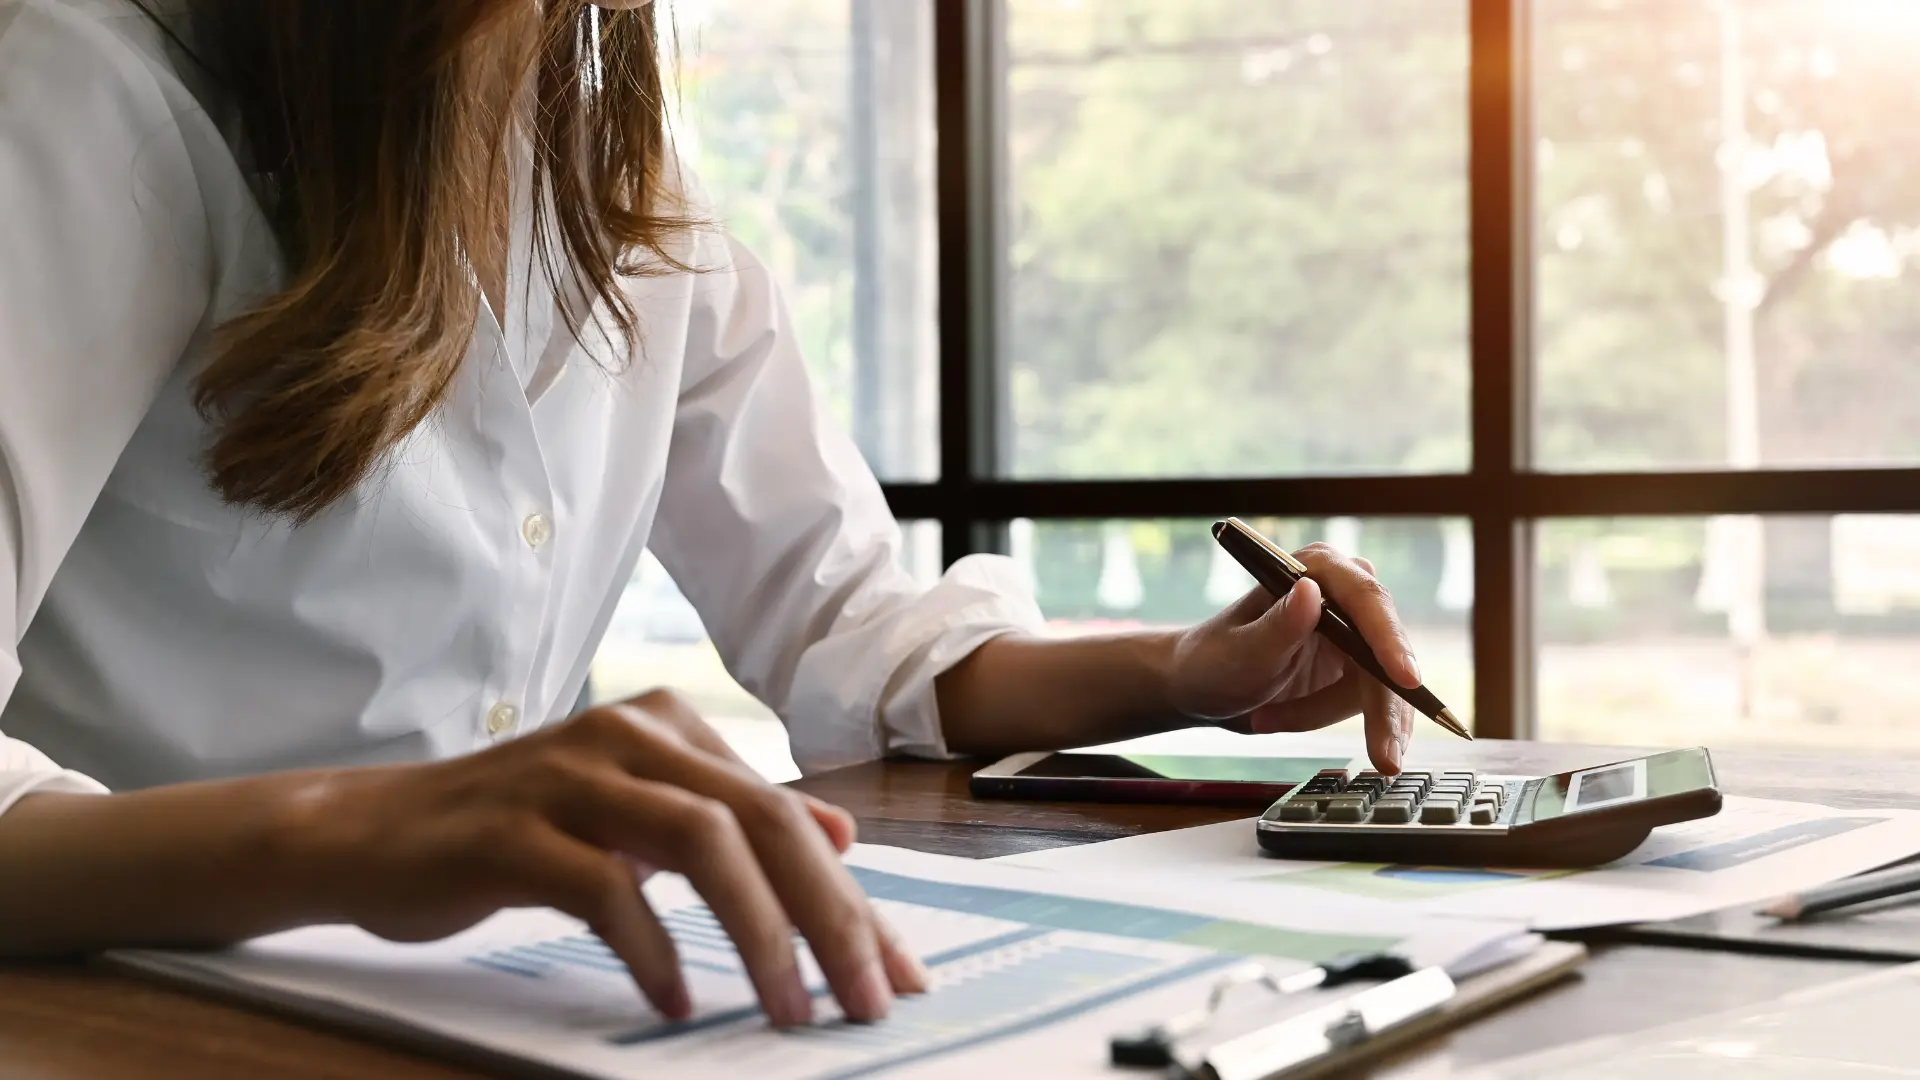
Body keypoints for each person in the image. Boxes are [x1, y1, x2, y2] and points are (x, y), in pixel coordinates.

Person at [0, 0, 1425, 1031]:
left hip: (511, 1010)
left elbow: (848, 623)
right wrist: (369, 831)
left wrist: (1186, 671)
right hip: (126, 1023)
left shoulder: (613, 179)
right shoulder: (85, 92)